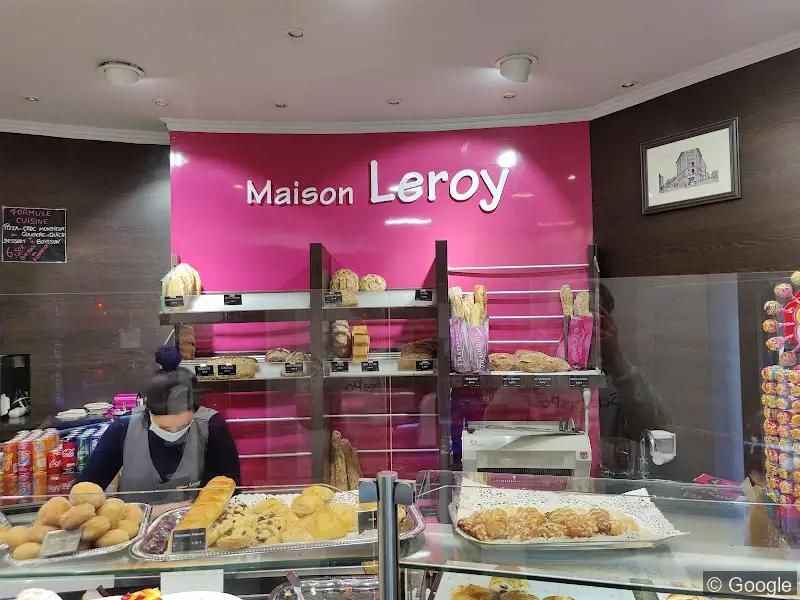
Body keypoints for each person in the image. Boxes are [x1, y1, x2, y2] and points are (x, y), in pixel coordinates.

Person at [78, 353, 241, 498]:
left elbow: (231, 491)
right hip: (133, 527)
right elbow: (86, 490)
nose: (174, 433)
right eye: (164, 428)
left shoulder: (211, 426)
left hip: (194, 528)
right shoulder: (124, 427)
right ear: (147, 410)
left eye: (184, 426)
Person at [596, 283, 673, 440]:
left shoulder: (620, 373)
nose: (584, 325)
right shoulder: (550, 371)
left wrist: (615, 359)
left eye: (594, 318)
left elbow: (658, 428)